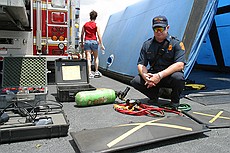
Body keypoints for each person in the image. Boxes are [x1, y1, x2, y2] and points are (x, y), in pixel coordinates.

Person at [130, 15, 186, 110]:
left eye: (161, 28)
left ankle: (175, 100)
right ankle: (154, 96)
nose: (158, 32)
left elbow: (180, 65)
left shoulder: (176, 44)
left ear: (167, 28)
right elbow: (141, 64)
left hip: (168, 76)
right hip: (154, 75)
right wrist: (145, 76)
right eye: (156, 29)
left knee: (179, 78)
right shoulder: (147, 45)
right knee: (136, 81)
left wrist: (159, 76)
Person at [81, 10, 105, 78]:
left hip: (87, 42)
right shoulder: (96, 25)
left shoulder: (85, 24)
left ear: (90, 17)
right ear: (96, 17)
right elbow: (99, 35)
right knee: (96, 57)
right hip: (94, 41)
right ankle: (96, 71)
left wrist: (82, 43)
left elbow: (82, 34)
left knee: (88, 58)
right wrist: (101, 44)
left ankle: (89, 73)